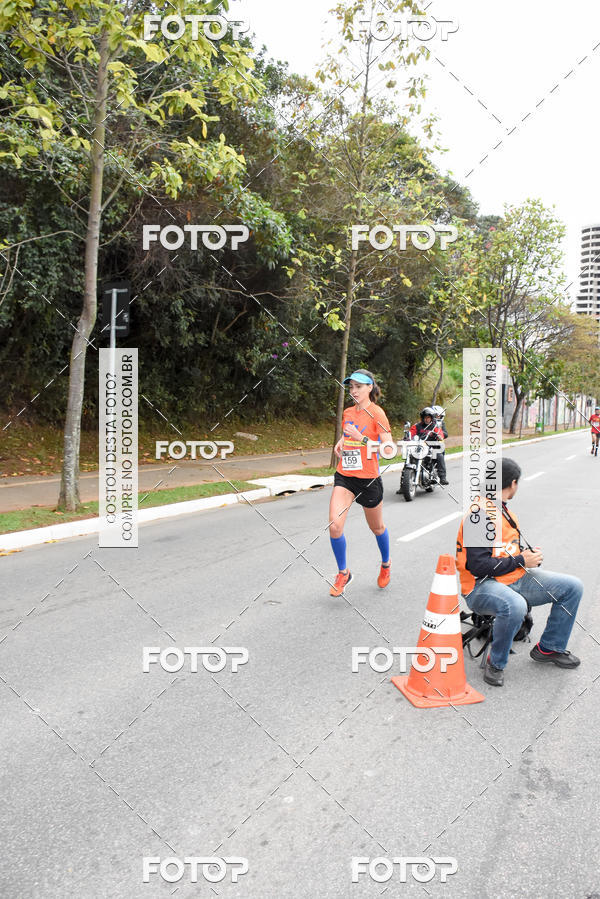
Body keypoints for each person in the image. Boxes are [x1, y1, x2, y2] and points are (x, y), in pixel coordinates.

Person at [456, 457, 583, 687]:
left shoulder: (504, 512)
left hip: (514, 577)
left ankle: (549, 648)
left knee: (572, 586)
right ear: (512, 483)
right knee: (515, 606)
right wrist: (520, 559)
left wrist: (527, 556)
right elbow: (477, 565)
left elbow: (505, 550)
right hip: (480, 586)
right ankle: (496, 663)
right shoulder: (480, 514)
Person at [329, 369, 396, 597]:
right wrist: (341, 441)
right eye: (351, 387)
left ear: (370, 388)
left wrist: (362, 439)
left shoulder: (378, 414)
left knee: (376, 528)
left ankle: (386, 564)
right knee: (335, 526)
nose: (354, 391)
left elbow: (388, 449)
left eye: (359, 386)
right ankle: (343, 572)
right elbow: (349, 432)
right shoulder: (348, 411)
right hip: (345, 475)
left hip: (368, 480)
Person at [409, 406, 449, 485]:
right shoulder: (416, 426)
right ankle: (403, 485)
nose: (427, 419)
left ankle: (442, 478)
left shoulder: (435, 426)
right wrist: (407, 437)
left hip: (431, 448)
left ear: (431, 418)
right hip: (419, 447)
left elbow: (441, 434)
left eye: (428, 418)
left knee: (439, 455)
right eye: (425, 417)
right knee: (409, 458)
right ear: (422, 418)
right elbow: (410, 434)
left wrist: (439, 436)